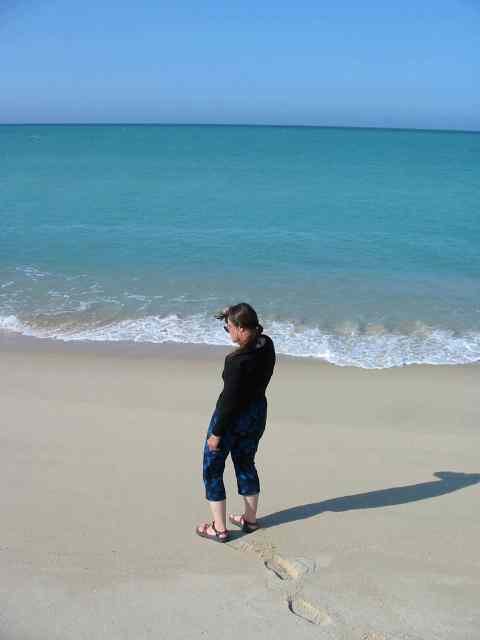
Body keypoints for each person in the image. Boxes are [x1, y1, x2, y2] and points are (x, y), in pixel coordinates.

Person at [196, 303, 276, 543]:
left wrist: (216, 434)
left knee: (212, 469)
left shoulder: (236, 361)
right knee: (245, 462)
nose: (227, 331)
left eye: (228, 327)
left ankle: (219, 528)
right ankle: (250, 520)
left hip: (232, 418)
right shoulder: (266, 344)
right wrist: (232, 313)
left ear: (241, 328)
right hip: (256, 413)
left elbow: (228, 401)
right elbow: (254, 333)